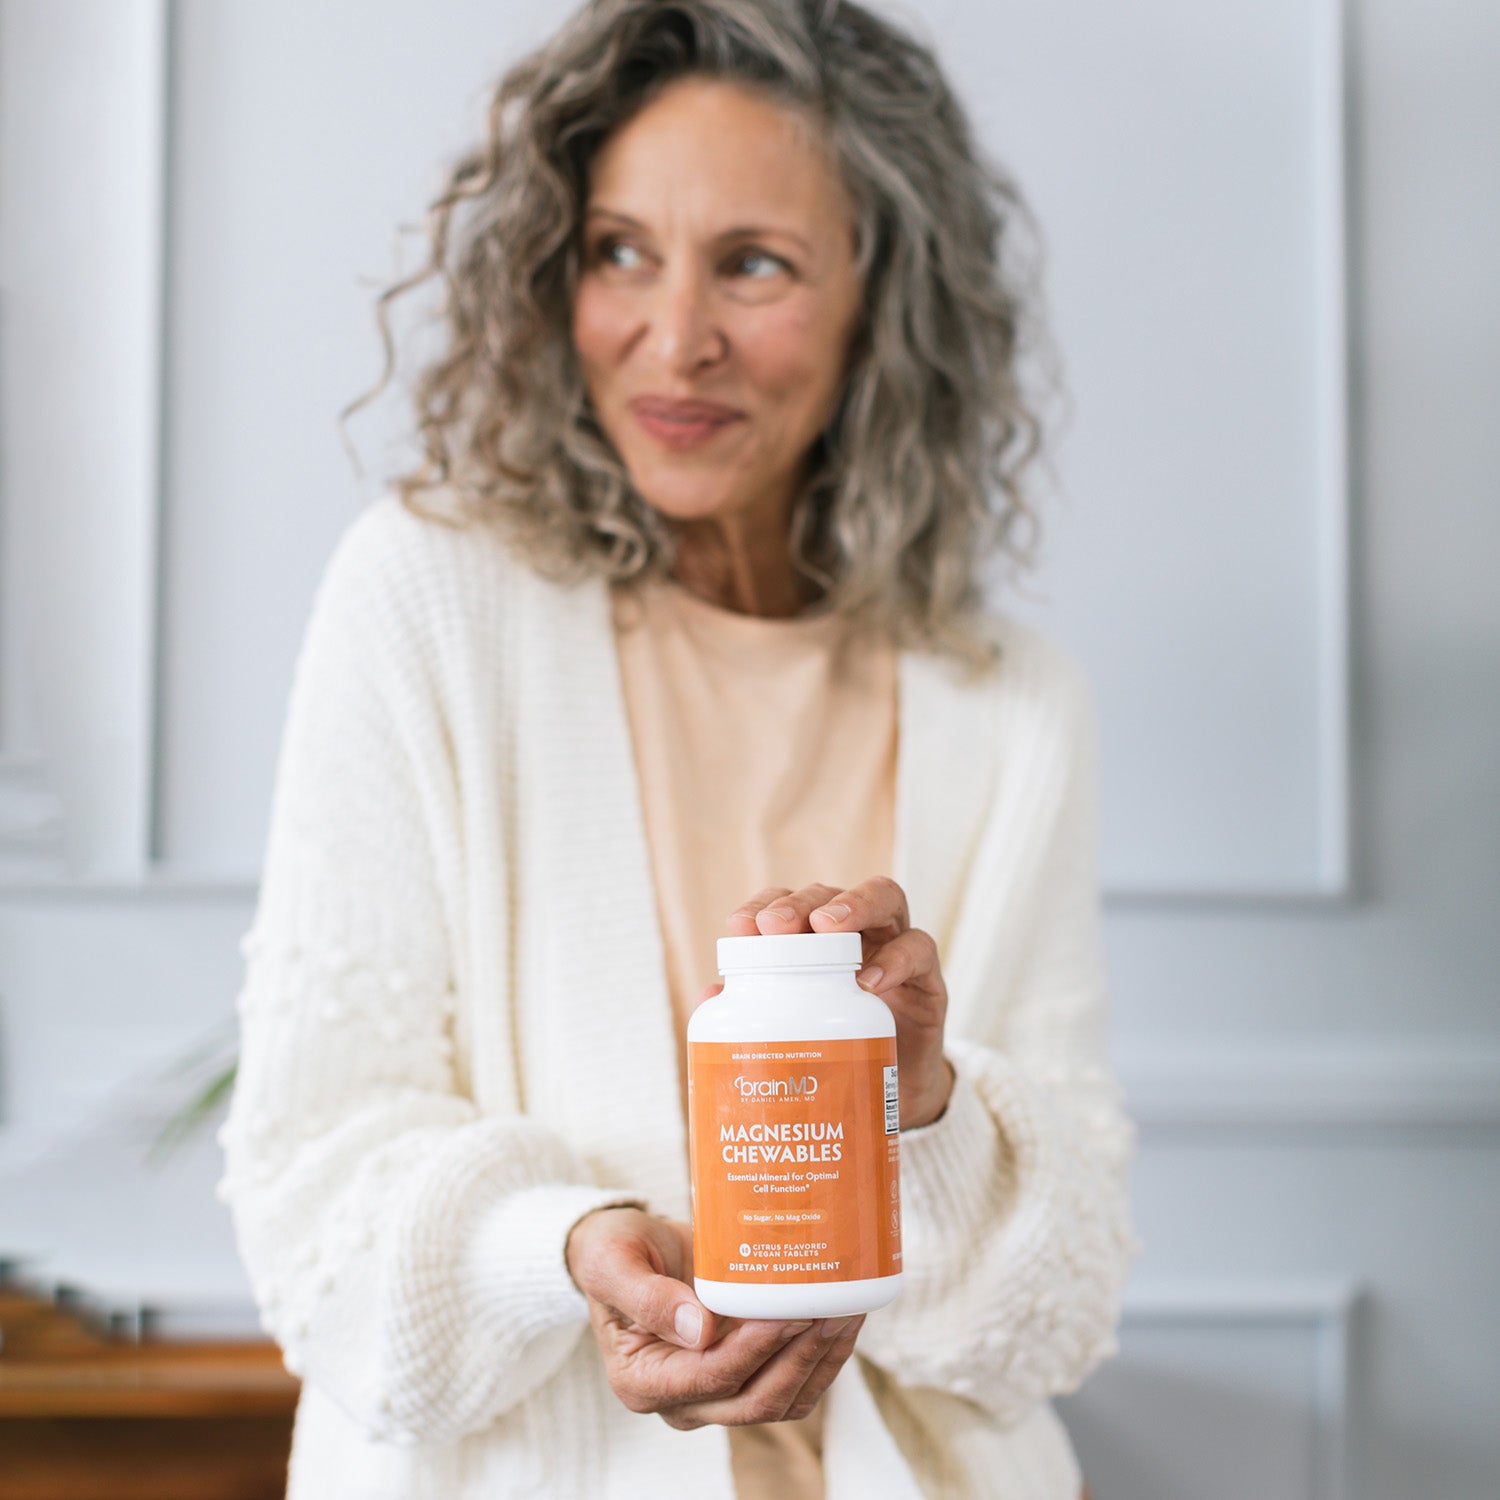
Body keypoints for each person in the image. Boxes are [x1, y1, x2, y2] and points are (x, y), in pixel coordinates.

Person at [219, 1, 1141, 1496]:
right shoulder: (428, 600)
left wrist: (925, 1113)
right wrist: (568, 1256)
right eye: (620, 251)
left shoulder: (1012, 709)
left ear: (881, 300)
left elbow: (1054, 1314)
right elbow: (314, 1195)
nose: (674, 335)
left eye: (755, 264)